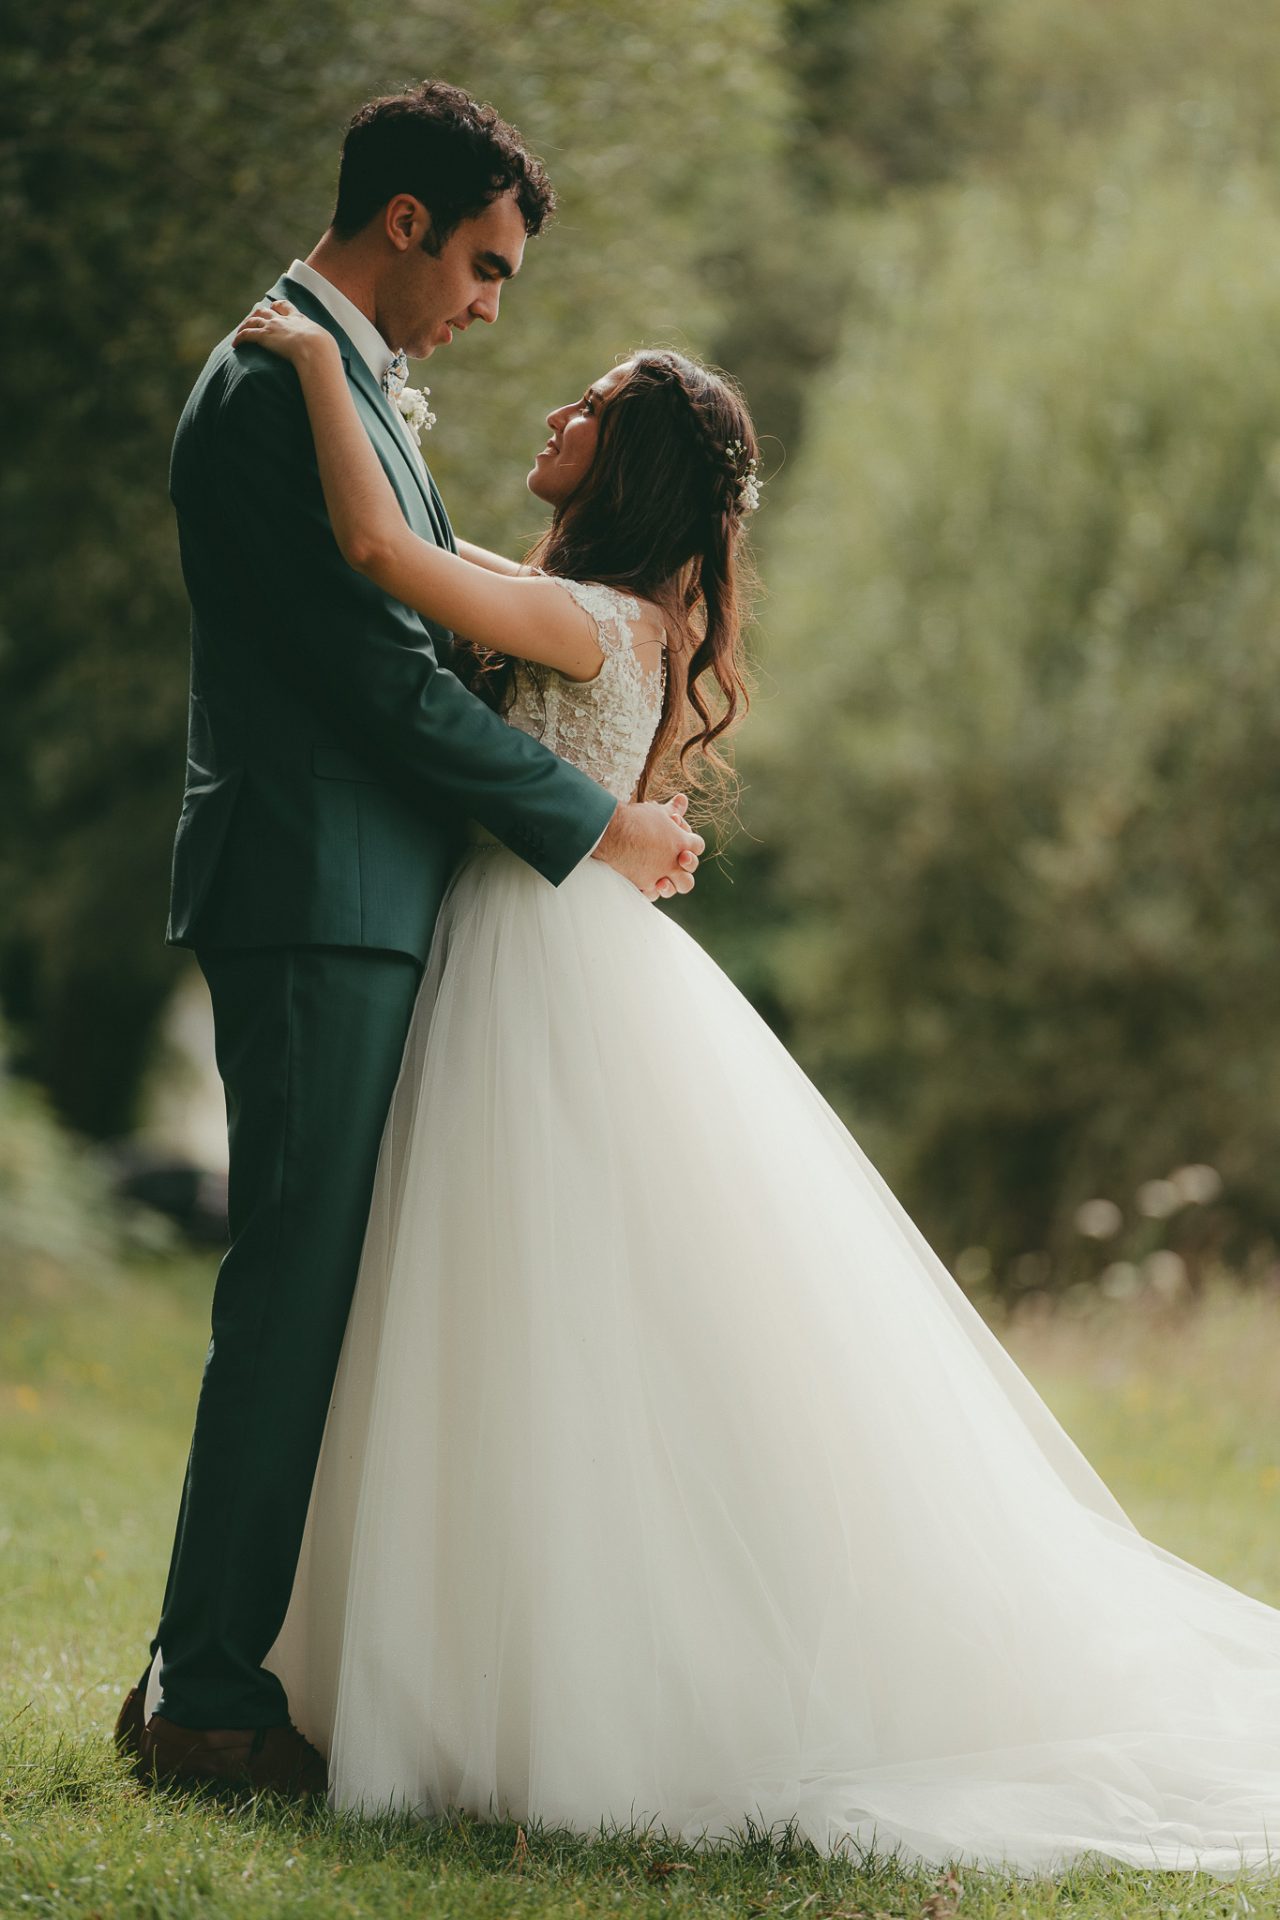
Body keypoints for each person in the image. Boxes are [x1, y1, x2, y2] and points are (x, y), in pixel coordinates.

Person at [205, 295, 1280, 1880]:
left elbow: (378, 559)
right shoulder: (603, 609)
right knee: (522, 1313)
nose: (555, 413)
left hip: (532, 968)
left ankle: (536, 1687)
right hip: (541, 951)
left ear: (625, 463)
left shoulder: (589, 623)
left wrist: (310, 362)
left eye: (586, 405)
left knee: (532, 1311)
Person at [114, 81, 702, 1798]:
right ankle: (212, 1697)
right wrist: (589, 819)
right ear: (404, 223)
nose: (491, 303)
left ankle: (205, 1670)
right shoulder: (262, 387)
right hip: (314, 892)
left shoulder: (341, 375)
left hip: (363, 896)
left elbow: (421, 632)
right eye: (490, 265)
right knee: (288, 1302)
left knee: (309, 1301)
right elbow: (370, 677)